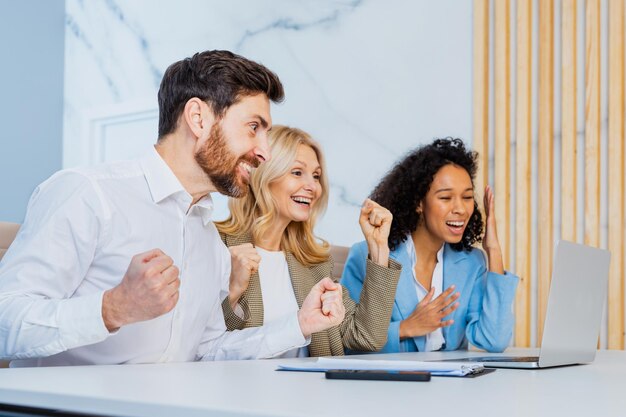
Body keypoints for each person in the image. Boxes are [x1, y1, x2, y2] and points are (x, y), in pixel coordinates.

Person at [0, 50, 345, 366]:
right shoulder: (88, 194)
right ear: (197, 118)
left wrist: (300, 325)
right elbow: (5, 323)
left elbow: (207, 350)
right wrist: (111, 308)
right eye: (253, 128)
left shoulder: (208, 239)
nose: (264, 152)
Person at [216, 125, 402, 357]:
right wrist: (232, 292)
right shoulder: (218, 245)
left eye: (316, 176)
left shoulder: (313, 263)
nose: (313, 186)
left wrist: (378, 249)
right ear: (264, 176)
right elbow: (204, 348)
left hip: (309, 392)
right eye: (297, 172)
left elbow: (367, 336)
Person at [341, 138, 519, 353]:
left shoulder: (472, 263)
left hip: (451, 384)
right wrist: (405, 328)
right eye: (446, 197)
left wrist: (494, 251)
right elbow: (347, 344)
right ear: (418, 203)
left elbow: (494, 340)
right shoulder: (368, 255)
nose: (461, 209)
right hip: (389, 384)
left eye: (467, 197)